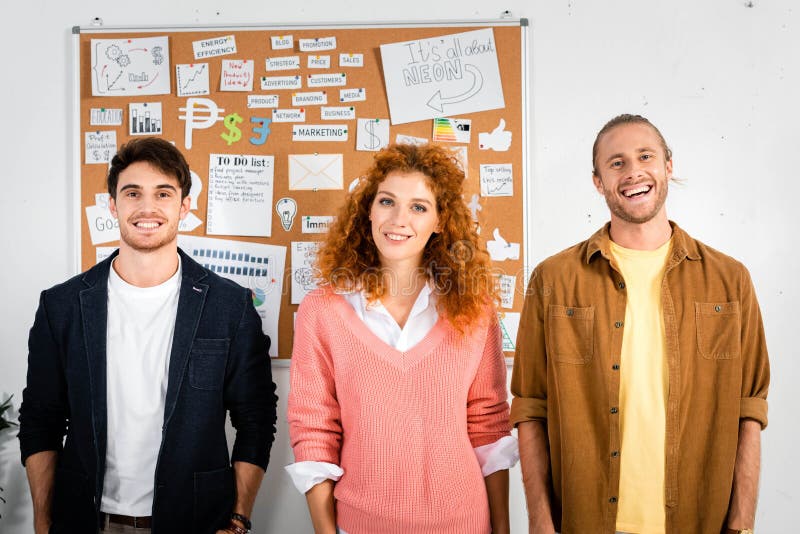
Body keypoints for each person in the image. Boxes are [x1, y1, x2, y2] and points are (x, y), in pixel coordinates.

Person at [511, 114, 770, 534]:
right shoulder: (554, 279)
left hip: (696, 521)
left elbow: (749, 409)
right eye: (616, 162)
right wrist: (541, 522)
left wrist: (741, 524)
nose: (633, 171)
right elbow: (530, 406)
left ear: (668, 165)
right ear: (598, 181)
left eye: (645, 156)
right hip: (586, 521)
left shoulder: (729, 280)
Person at [18, 137, 278, 534]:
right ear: (112, 204)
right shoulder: (62, 306)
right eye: (132, 193)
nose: (147, 207)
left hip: (195, 521)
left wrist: (240, 518)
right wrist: (42, 521)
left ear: (184, 207)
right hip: (86, 520)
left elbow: (256, 419)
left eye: (163, 193)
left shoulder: (229, 307)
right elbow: (41, 420)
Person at [286, 143, 518, 534]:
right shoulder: (322, 310)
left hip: (465, 523)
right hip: (359, 525)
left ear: (440, 221)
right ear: (369, 210)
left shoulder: (474, 311)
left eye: (419, 207)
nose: (398, 219)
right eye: (387, 201)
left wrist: (502, 530)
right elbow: (314, 432)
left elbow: (488, 427)